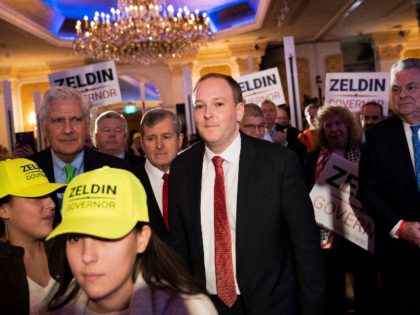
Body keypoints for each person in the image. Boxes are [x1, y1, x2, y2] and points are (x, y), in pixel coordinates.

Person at [169, 73, 326, 315]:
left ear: (239, 111)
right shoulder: (181, 168)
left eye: (218, 104)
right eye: (200, 106)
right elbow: (179, 248)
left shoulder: (279, 163)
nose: (207, 114)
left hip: (272, 305)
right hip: (205, 307)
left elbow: (305, 246)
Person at [46, 167, 217, 315]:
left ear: (142, 239)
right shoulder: (57, 306)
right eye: (75, 238)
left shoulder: (188, 308)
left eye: (107, 236)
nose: (87, 256)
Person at [359, 58, 420, 315]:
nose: (402, 94)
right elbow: (367, 191)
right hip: (401, 260)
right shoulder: (377, 136)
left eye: (411, 87)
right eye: (396, 89)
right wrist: (401, 227)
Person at [305, 105, 378, 315]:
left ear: (348, 126)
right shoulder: (313, 157)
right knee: (333, 287)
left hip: (361, 230)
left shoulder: (366, 153)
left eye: (339, 123)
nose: (334, 129)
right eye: (328, 125)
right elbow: (306, 191)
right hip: (328, 233)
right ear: (322, 129)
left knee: (365, 285)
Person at [28, 86, 128, 225]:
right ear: (44, 128)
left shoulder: (118, 171)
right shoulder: (26, 172)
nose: (68, 130)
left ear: (87, 125)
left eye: (76, 120)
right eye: (58, 121)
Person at [0, 158, 65, 315]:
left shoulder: (66, 246)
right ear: (3, 210)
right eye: (36, 196)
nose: (51, 204)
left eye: (48, 195)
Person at [132, 108, 183, 241]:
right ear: (142, 143)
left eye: (166, 137)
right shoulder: (129, 183)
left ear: (180, 140)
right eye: (151, 138)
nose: (159, 145)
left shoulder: (198, 178)